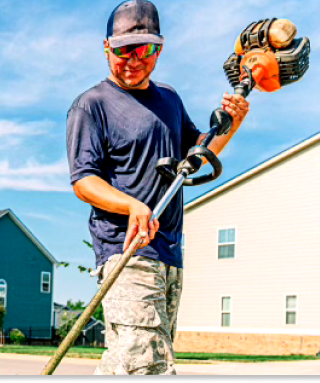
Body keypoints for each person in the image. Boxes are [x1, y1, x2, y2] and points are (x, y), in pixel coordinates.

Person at [66, 0, 249, 375]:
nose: (133, 60)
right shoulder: (91, 106)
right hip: (127, 250)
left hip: (169, 252)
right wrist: (132, 206)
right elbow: (84, 181)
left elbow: (196, 155)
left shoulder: (169, 99)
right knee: (145, 364)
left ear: (159, 49)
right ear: (106, 47)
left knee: (136, 359)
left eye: (144, 49)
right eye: (122, 50)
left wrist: (233, 123)